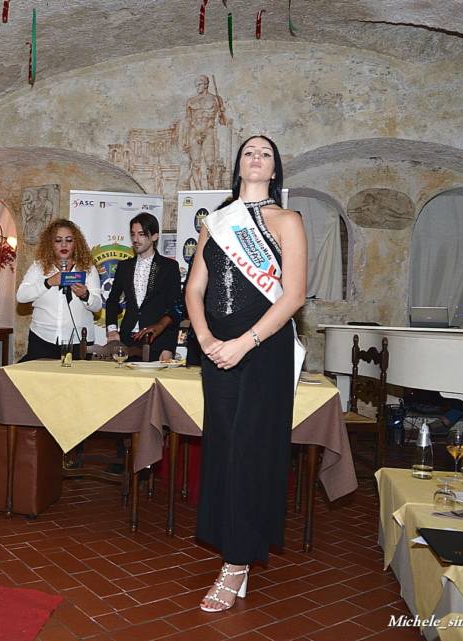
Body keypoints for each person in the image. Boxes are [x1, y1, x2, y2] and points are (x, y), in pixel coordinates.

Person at [185, 135, 307, 612]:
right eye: (249, 152)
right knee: (223, 450)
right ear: (238, 165)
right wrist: (206, 339)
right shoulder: (217, 222)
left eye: (265, 154)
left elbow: (293, 295)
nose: (256, 158)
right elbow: (194, 288)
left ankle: (236, 563)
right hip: (217, 351)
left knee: (251, 452)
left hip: (263, 348)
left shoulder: (288, 221)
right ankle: (235, 548)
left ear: (274, 170)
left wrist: (244, 343)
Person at [16, 218, 103, 360]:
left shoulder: (87, 268)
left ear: (76, 244)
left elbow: (98, 306)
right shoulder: (39, 267)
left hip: (78, 341)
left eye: (69, 240)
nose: (64, 245)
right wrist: (48, 282)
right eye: (58, 240)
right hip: (43, 338)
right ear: (50, 244)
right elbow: (21, 296)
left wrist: (85, 295)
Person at [105, 212, 182, 361]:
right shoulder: (124, 267)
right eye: (133, 234)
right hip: (126, 341)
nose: (135, 239)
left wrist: (168, 347)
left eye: (141, 234)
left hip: (156, 341)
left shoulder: (169, 267)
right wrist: (112, 330)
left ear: (154, 236)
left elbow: (175, 309)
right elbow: (112, 300)